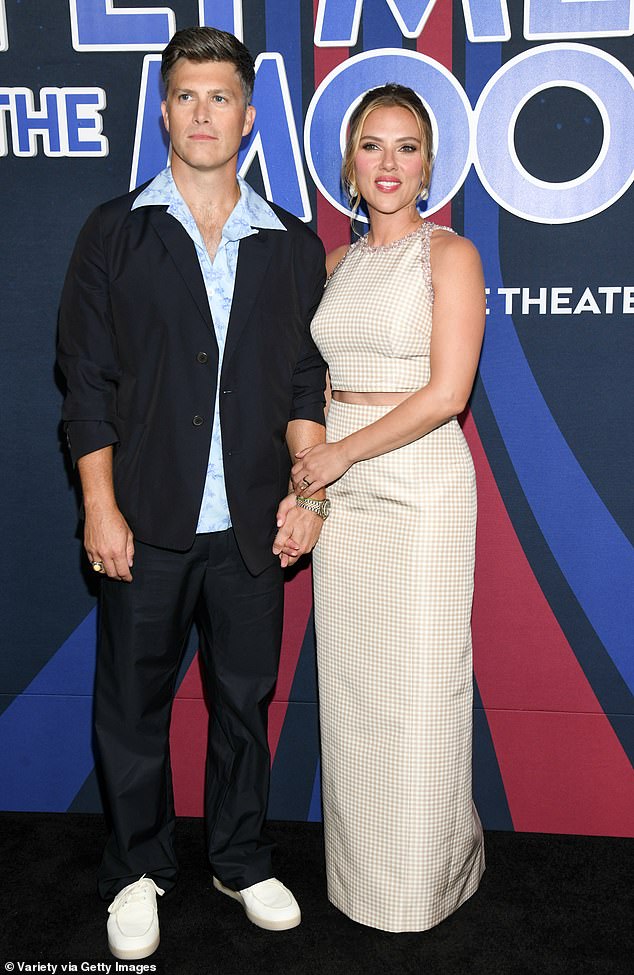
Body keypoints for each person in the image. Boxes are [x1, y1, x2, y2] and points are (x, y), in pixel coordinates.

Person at [57, 26, 330, 960]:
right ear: (164, 111)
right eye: (187, 96)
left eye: (222, 97)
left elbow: (303, 382)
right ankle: (136, 868)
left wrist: (309, 495)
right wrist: (99, 503)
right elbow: (85, 378)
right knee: (130, 706)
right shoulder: (115, 230)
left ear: (249, 117)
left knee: (244, 705)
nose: (203, 112)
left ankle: (242, 858)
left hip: (252, 527)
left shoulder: (294, 245)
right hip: (147, 519)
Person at [287, 83, 486, 932]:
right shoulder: (333, 266)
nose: (389, 164)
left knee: (422, 689)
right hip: (344, 486)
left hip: (420, 489)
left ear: (430, 164)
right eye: (373, 146)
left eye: (407, 147)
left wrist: (337, 453)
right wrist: (315, 481)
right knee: (356, 688)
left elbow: (446, 394)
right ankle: (365, 878)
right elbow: (310, 384)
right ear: (350, 164)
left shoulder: (452, 257)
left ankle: (426, 883)